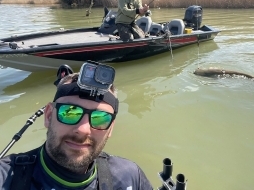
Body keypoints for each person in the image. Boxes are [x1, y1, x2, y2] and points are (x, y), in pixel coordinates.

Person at [0, 64, 153, 190]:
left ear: (111, 128)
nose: (83, 130)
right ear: (48, 116)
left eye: (100, 118)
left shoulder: (130, 177)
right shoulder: (5, 178)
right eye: (69, 113)